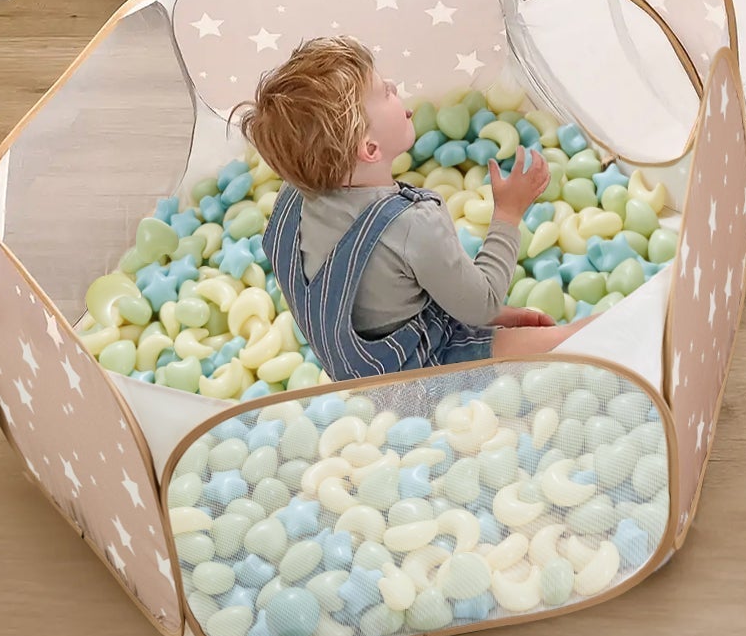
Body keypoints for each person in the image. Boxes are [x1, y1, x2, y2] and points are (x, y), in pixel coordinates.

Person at [237, 36, 588, 383]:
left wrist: (499, 316)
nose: (393, 85)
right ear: (370, 149)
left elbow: (383, 291)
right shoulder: (411, 224)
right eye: (383, 93)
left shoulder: (292, 197)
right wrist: (509, 213)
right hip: (419, 374)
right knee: (571, 341)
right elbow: (481, 302)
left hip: (356, 369)